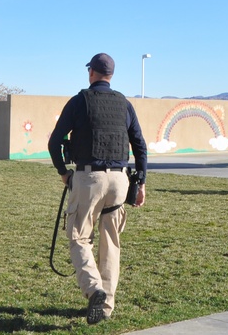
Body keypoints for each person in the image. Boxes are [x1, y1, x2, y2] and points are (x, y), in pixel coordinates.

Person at [47, 53, 148, 325]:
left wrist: (63, 174)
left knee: (79, 237)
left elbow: (54, 141)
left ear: (91, 72)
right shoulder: (124, 103)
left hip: (88, 178)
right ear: (111, 75)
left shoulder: (79, 101)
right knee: (111, 242)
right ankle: (105, 308)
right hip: (119, 180)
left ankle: (95, 290)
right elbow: (140, 146)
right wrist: (141, 183)